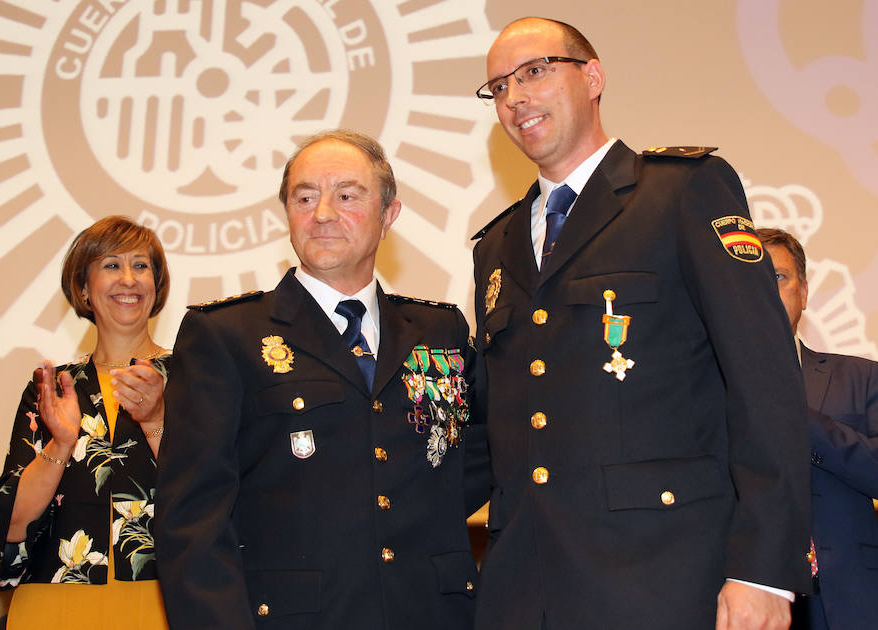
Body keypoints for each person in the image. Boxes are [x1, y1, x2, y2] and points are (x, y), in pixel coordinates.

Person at [470, 17, 811, 630]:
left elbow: (764, 379)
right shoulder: (495, 246)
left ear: (593, 77)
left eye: (535, 71)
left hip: (664, 577)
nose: (515, 96)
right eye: (498, 86)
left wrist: (763, 569)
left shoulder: (681, 191)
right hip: (525, 589)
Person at [154, 129, 489, 630]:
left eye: (347, 196)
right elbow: (192, 522)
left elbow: (486, 450)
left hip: (433, 611)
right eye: (305, 198)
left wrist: (419, 512)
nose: (323, 213)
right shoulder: (226, 334)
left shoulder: (441, 330)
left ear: (388, 215)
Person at [0, 216, 171, 629]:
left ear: (156, 285)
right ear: (83, 288)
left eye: (140, 266)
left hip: (167, 600)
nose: (129, 279)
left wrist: (156, 421)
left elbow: (222, 494)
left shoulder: (195, 377)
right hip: (55, 605)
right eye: (111, 265)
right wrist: (61, 444)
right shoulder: (51, 388)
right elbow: (10, 525)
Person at [759, 227, 878, 630]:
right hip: (741, 596)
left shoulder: (861, 378)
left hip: (846, 598)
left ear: (805, 292)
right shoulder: (700, 387)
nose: (765, 290)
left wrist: (793, 414)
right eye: (750, 281)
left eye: (778, 276)